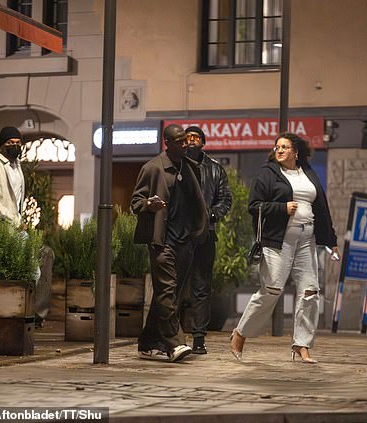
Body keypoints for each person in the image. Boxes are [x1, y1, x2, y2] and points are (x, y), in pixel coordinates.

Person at [229, 132, 339, 364]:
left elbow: (321, 207)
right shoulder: (267, 174)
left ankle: (302, 344)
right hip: (278, 241)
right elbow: (254, 206)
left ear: (296, 152)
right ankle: (240, 334)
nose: (279, 150)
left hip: (306, 239)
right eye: (277, 147)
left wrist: (331, 239)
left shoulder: (308, 173)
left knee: (310, 292)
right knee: (272, 290)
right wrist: (281, 208)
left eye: (285, 147)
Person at [131, 124, 208, 363]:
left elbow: (198, 203)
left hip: (185, 242)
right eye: (180, 141)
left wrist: (198, 234)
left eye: (186, 140)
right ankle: (175, 344)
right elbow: (135, 202)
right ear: (168, 143)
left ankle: (147, 343)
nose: (186, 144)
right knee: (166, 290)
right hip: (162, 241)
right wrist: (148, 205)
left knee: (170, 294)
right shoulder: (152, 168)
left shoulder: (191, 168)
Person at [0, 126, 47, 327]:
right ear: (1, 145)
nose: (15, 147)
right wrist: (14, 220)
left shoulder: (17, 167)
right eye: (10, 144)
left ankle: (24, 314)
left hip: (15, 230)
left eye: (18, 143)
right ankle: (15, 315)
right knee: (11, 273)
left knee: (32, 272)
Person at [180, 126, 232, 354]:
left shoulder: (215, 169)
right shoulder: (176, 165)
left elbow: (225, 199)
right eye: (188, 138)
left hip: (205, 234)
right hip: (179, 235)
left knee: (202, 287)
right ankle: (173, 336)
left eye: (196, 138)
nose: (191, 142)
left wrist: (211, 215)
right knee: (176, 286)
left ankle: (199, 338)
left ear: (203, 142)